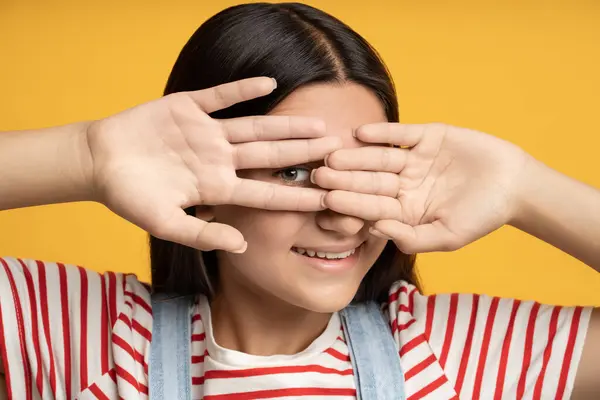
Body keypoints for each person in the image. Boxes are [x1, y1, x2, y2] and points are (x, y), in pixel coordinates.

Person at [1, 2, 599, 399]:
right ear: (195, 185)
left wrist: (523, 187)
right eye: (292, 172)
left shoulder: (446, 352)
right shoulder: (86, 336)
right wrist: (85, 156)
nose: (343, 216)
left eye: (368, 173)